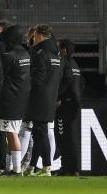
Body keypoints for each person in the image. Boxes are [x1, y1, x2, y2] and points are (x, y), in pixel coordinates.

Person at [24, 24, 63, 176]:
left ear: (39, 35)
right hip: (51, 97)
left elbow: (37, 79)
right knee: (39, 132)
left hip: (39, 98)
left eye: (34, 36)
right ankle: (32, 166)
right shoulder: (56, 55)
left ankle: (47, 166)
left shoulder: (40, 53)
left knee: (40, 132)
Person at [0, 24, 30, 176]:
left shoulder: (9, 55)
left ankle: (16, 169)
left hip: (10, 98)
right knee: (12, 132)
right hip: (21, 97)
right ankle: (11, 168)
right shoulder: (26, 54)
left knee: (11, 133)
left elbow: (2, 75)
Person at [55, 39, 82, 176]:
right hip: (74, 103)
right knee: (70, 136)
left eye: (58, 48)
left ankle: (68, 168)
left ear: (64, 50)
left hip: (65, 105)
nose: (57, 50)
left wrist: (58, 97)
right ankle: (73, 168)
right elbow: (79, 83)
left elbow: (66, 81)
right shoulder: (75, 64)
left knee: (63, 137)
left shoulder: (63, 62)